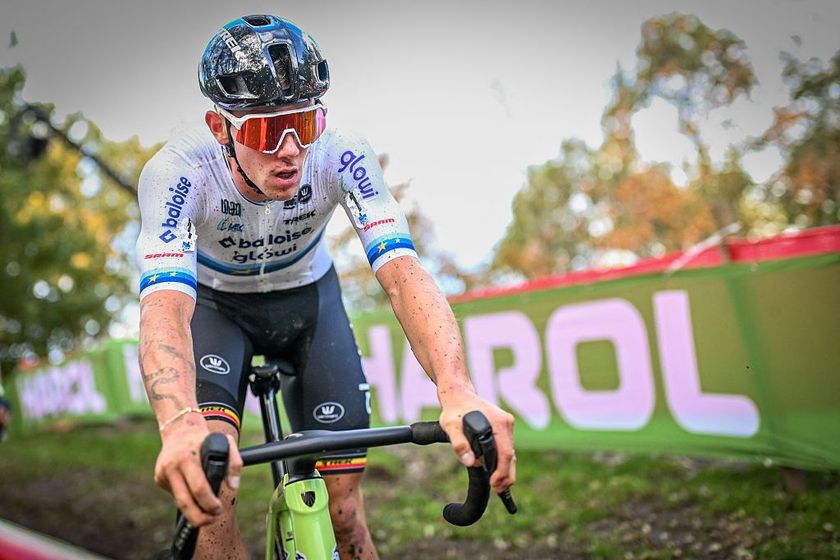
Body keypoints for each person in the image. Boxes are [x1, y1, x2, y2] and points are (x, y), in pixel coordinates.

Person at [136, 14, 515, 559]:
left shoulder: (341, 152)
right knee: (212, 497)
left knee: (344, 512)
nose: (291, 149)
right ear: (220, 128)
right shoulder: (177, 171)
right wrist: (178, 423)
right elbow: (166, 308)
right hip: (218, 310)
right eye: (267, 131)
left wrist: (457, 389)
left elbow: (403, 274)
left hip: (309, 302)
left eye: (305, 123)